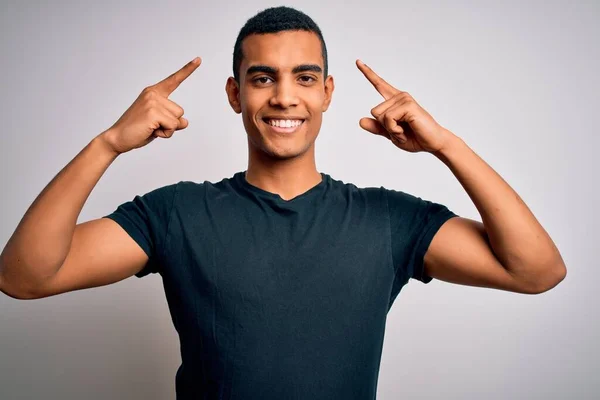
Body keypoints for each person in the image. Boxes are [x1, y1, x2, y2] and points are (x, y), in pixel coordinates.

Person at [0, 6, 566, 400]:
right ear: (235, 94)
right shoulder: (175, 215)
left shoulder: (388, 220)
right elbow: (24, 277)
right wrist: (106, 144)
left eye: (304, 77)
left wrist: (446, 145)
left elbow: (537, 270)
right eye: (263, 77)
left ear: (327, 92)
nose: (284, 96)